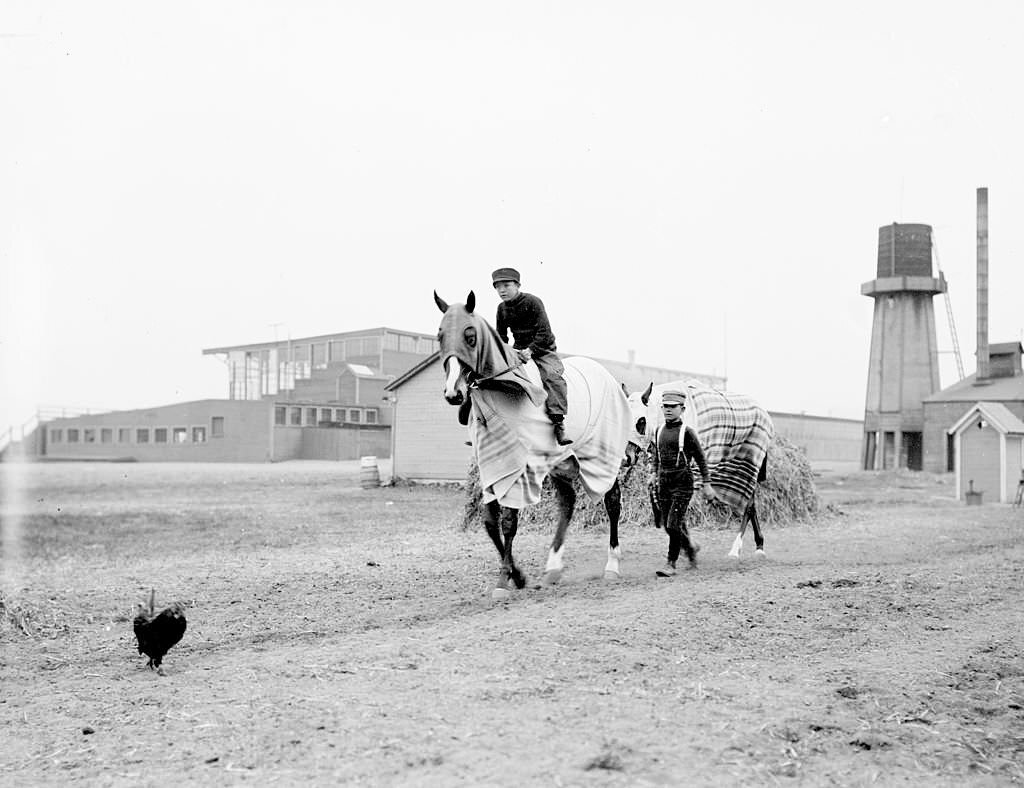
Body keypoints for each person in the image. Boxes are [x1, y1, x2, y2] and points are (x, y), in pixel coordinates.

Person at [491, 267, 572, 445]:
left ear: (518, 285)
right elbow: (502, 336)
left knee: (552, 377)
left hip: (543, 349)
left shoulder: (534, 302)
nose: (501, 290)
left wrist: (531, 350)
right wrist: (504, 351)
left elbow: (545, 332)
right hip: (518, 349)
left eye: (506, 285)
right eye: (497, 287)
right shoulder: (501, 308)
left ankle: (559, 423)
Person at [651, 390, 716, 576]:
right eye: (666, 406)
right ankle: (691, 548)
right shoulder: (659, 431)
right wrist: (653, 474)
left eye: (673, 407)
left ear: (682, 409)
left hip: (683, 483)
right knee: (668, 524)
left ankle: (670, 564)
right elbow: (656, 456)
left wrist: (707, 483)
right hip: (664, 483)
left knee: (673, 524)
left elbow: (701, 459)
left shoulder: (687, 432)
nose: (669, 410)